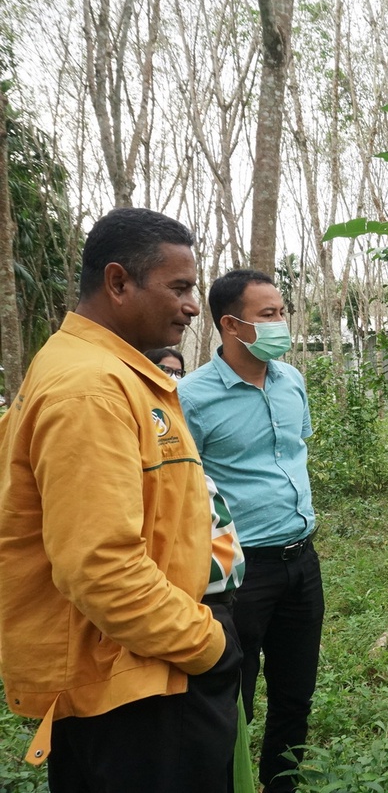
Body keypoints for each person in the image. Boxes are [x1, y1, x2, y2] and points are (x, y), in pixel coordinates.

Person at [0, 207, 240, 791]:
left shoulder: (114, 374)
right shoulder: (90, 390)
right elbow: (100, 566)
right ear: (117, 282)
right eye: (179, 287)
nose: (191, 304)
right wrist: (208, 645)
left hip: (146, 671)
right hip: (137, 690)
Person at [178, 269, 322, 793]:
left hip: (302, 561)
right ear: (231, 325)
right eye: (269, 315)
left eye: (282, 311)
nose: (282, 323)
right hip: (238, 574)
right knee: (230, 696)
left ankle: (280, 785)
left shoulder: (293, 382)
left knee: (294, 693)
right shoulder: (190, 399)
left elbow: (294, 451)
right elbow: (181, 490)